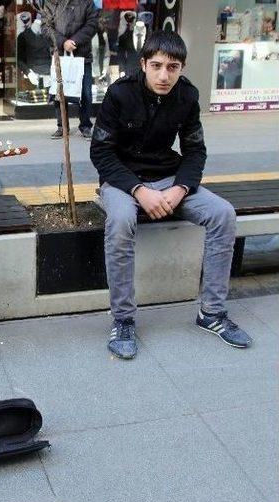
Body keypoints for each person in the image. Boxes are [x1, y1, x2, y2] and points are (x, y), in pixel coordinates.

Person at [90, 31, 252, 360]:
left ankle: (212, 313)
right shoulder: (120, 94)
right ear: (144, 64)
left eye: (173, 67)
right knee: (120, 220)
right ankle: (123, 319)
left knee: (223, 213)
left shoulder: (187, 96)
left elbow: (195, 151)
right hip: (122, 180)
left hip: (169, 177)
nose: (164, 75)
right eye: (157, 66)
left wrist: (179, 189)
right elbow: (101, 153)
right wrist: (139, 191)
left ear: (182, 68)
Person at [41, 0, 99, 139]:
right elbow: (46, 27)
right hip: (59, 54)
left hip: (82, 54)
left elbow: (92, 24)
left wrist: (75, 41)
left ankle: (85, 125)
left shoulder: (87, 2)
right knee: (59, 92)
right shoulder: (51, 2)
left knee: (85, 93)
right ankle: (62, 126)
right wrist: (63, 42)